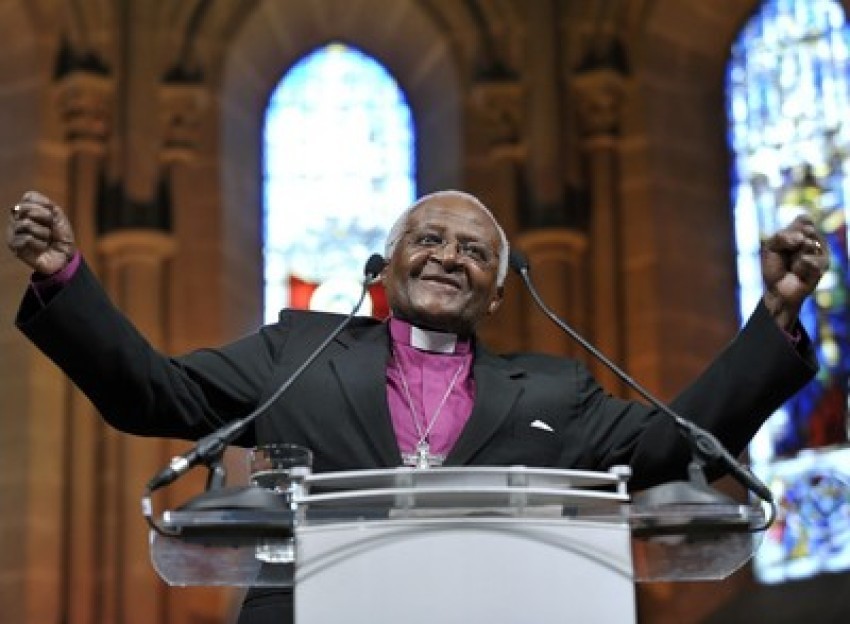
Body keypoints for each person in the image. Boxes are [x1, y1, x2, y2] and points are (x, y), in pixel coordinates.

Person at [6, 189, 828, 623]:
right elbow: (154, 393)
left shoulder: (554, 389)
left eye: (474, 251)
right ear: (386, 264)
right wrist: (63, 280)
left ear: (501, 291)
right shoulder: (300, 352)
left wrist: (777, 320)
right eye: (428, 240)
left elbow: (665, 446)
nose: (448, 257)